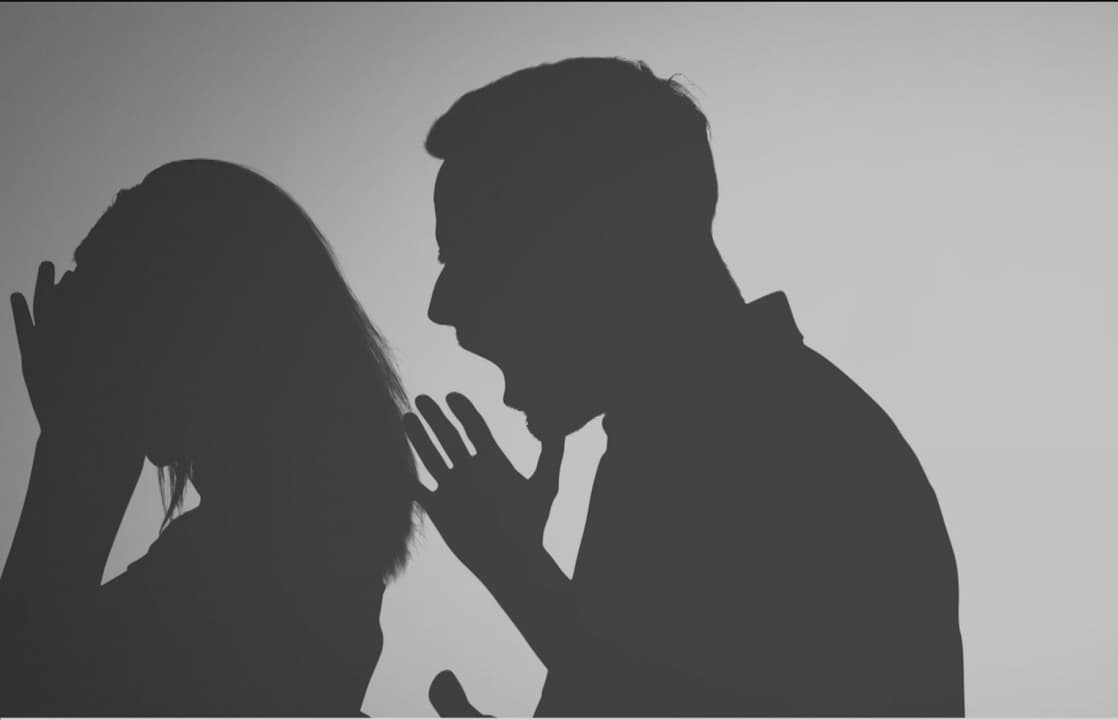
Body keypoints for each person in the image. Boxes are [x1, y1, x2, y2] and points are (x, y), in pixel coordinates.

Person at [404, 57, 965, 717]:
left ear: (589, 245)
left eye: (473, 255)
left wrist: (518, 574)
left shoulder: (780, 452)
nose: (442, 306)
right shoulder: (702, 435)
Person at [0, 159, 418, 716]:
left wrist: (77, 451)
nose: (79, 333)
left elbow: (23, 688)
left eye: (103, 301)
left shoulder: (233, 587)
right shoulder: (297, 561)